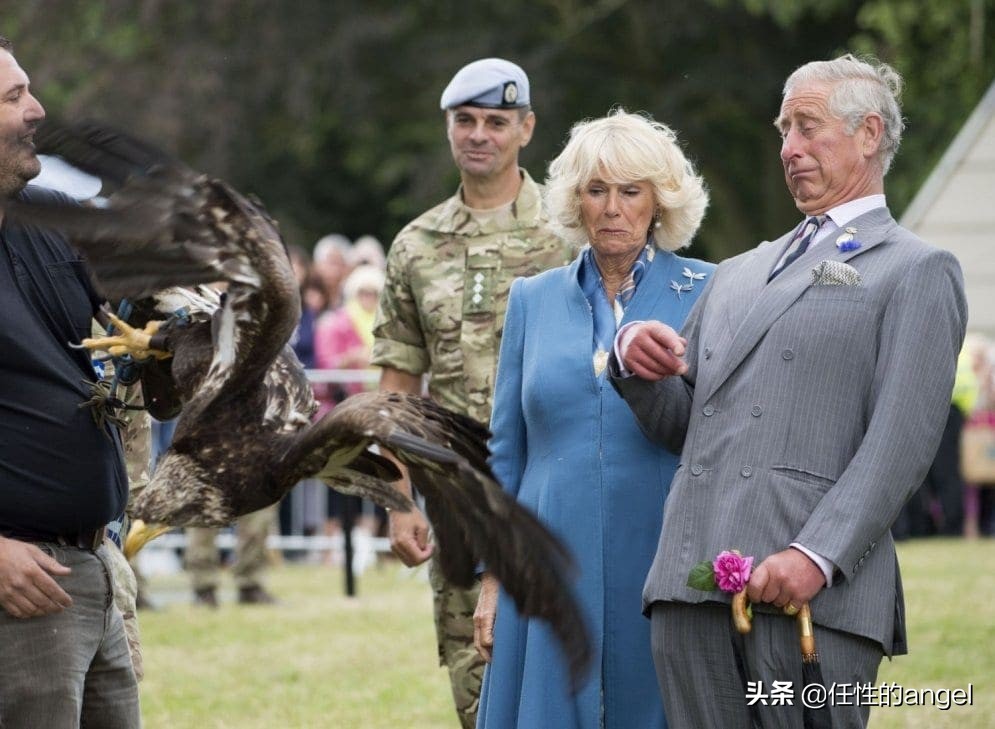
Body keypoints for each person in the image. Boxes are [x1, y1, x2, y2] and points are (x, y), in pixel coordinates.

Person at [610, 54, 967, 728]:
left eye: (806, 126)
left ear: (867, 133)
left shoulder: (915, 269)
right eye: (782, 130)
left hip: (809, 599)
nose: (788, 148)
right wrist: (637, 363)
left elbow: (901, 440)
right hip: (689, 588)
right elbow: (684, 425)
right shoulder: (737, 273)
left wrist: (816, 554)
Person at [474, 109, 712, 728]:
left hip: (663, 546)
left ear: (659, 202)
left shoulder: (710, 291)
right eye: (596, 190)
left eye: (631, 191)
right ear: (574, 201)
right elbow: (507, 451)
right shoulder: (531, 298)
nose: (612, 208)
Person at [371, 58, 576, 728]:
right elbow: (397, 383)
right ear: (448, 128)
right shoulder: (415, 246)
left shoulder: (568, 234)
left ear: (526, 128)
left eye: (495, 121)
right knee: (477, 681)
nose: (479, 134)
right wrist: (398, 501)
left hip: (558, 493)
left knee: (569, 676)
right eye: (465, 120)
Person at [0, 35, 142, 726]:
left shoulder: (51, 220)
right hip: (15, 588)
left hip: (90, 570)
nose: (37, 110)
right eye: (13, 96)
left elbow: (142, 359)